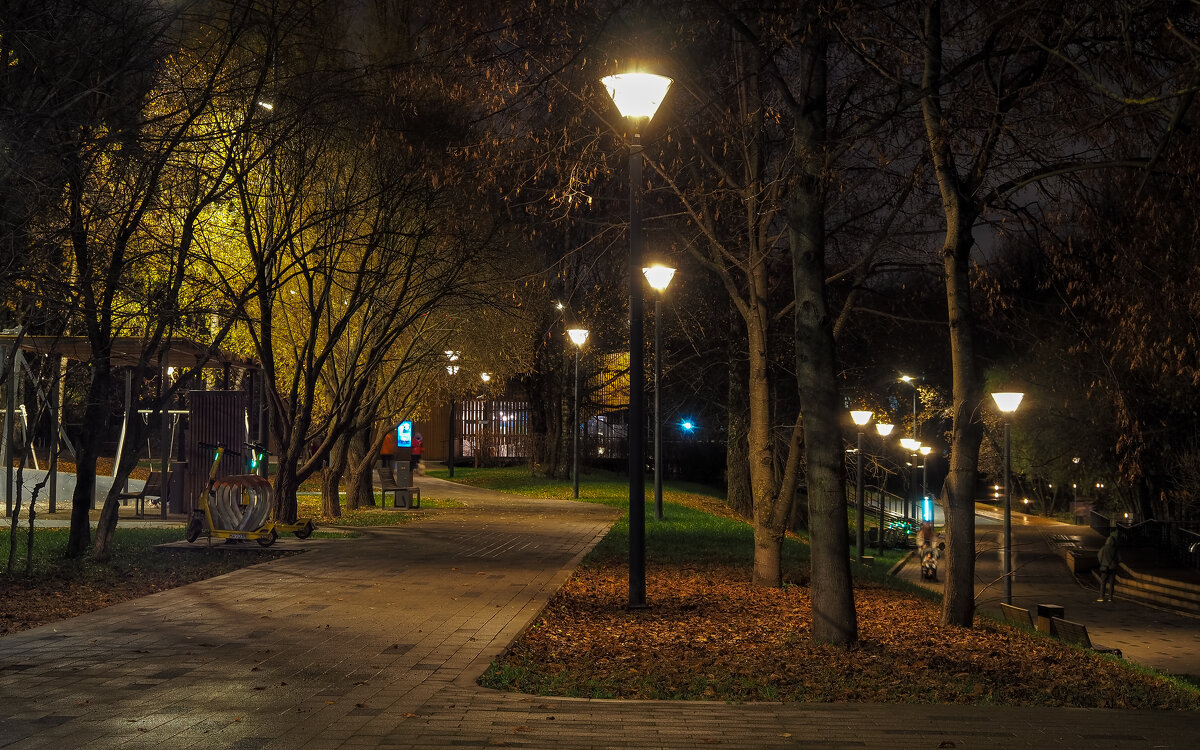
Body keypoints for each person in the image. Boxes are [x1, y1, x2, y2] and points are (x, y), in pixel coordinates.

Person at [1097, 532, 1119, 602]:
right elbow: (1120, 558)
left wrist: (1103, 563)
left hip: (1104, 567)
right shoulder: (1116, 549)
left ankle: (1101, 597)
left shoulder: (1103, 548)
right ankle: (1110, 598)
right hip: (1113, 568)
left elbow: (1099, 556)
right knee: (1111, 583)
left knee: (1103, 582)